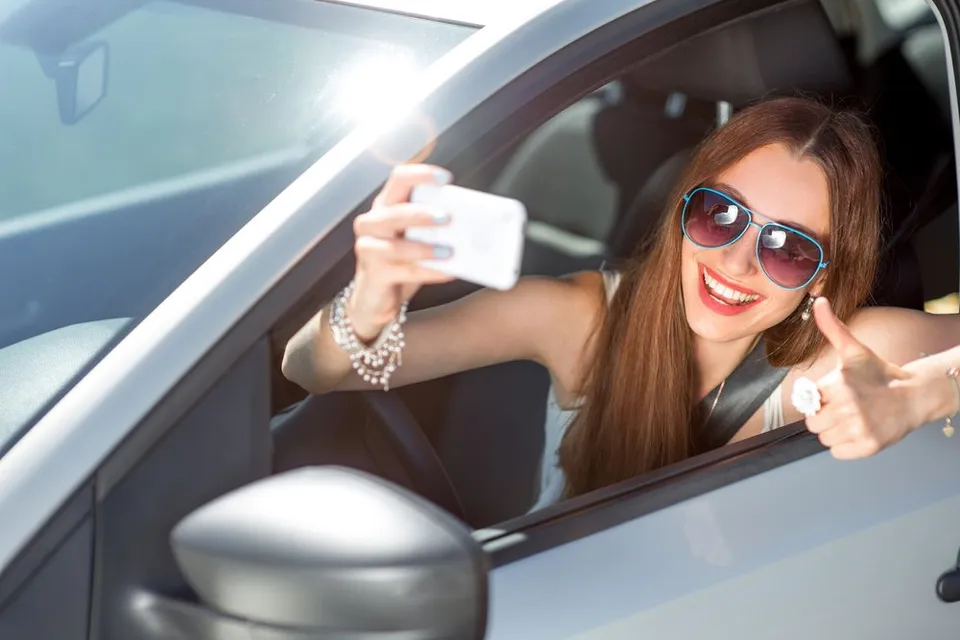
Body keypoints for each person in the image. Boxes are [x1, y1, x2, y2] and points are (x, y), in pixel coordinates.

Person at [281, 96, 960, 512]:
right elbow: (313, 368)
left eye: (786, 249)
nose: (734, 262)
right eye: (720, 216)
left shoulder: (843, 357)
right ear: (682, 209)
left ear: (820, 277)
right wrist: (369, 301)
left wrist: (923, 393)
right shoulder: (580, 320)